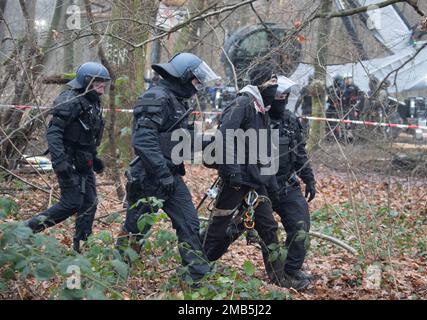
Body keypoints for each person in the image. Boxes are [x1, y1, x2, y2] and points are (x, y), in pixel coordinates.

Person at [116, 52, 220, 285]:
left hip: (170, 176)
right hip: (148, 176)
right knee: (135, 229)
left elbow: (180, 140)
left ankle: (197, 278)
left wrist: (211, 141)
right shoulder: (156, 97)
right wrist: (162, 174)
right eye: (195, 80)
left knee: (190, 223)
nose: (197, 85)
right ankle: (117, 274)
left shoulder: (177, 100)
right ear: (183, 76)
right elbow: (144, 141)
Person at [202, 63, 308, 290]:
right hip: (235, 182)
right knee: (218, 228)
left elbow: (263, 150)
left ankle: (280, 279)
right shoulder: (242, 104)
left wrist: (268, 182)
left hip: (254, 183)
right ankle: (196, 268)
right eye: (272, 83)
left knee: (269, 229)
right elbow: (224, 137)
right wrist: (231, 171)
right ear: (260, 83)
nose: (276, 88)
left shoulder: (261, 110)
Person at [25, 62, 110, 252]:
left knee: (89, 202)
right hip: (68, 161)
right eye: (98, 83)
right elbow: (54, 133)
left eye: (104, 83)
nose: (102, 87)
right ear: (87, 82)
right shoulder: (70, 100)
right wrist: (60, 161)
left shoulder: (93, 102)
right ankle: (24, 231)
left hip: (84, 162)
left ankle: (81, 245)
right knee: (71, 203)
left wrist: (94, 157)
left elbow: (88, 135)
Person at [267, 76, 316, 290]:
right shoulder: (255, 117)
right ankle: (201, 261)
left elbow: (299, 153)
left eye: (286, 96)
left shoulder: (289, 120)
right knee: (230, 228)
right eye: (279, 96)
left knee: (301, 227)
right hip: (257, 187)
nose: (283, 99)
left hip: (286, 185)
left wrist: (309, 179)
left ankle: (290, 271)